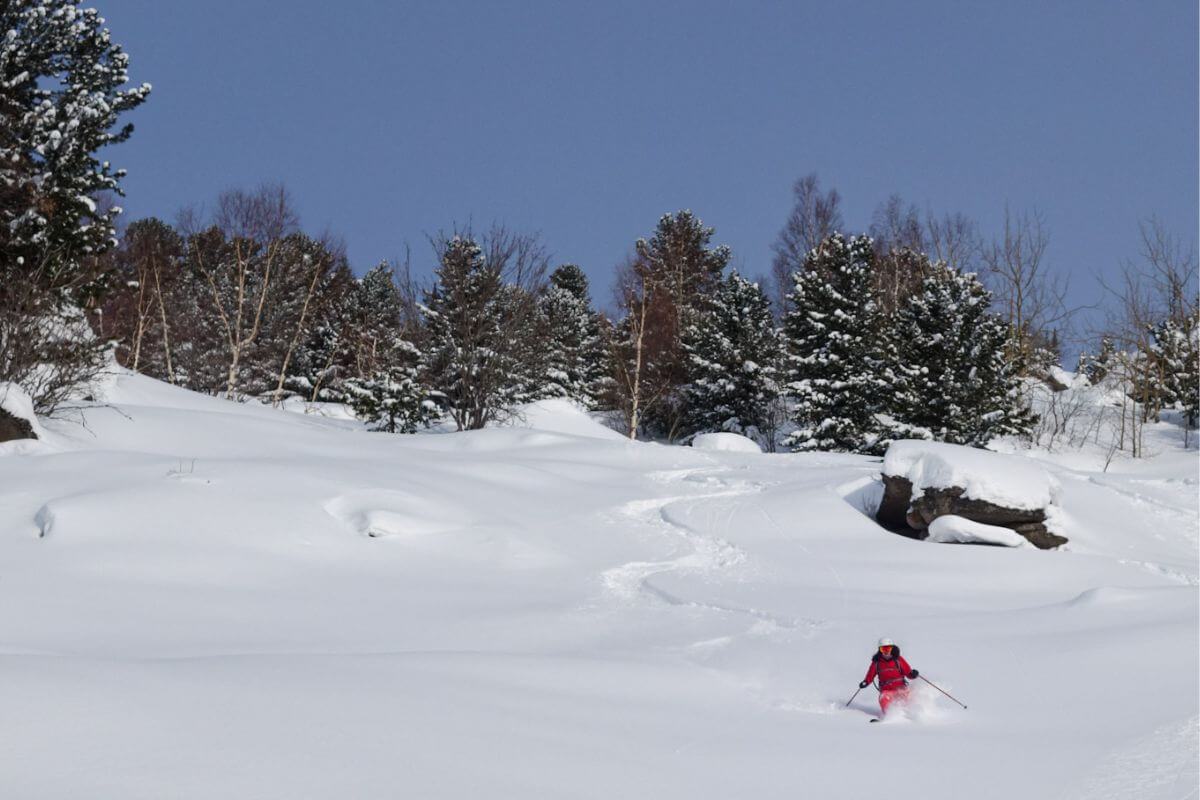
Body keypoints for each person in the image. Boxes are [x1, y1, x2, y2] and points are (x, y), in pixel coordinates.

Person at [859, 637, 919, 715]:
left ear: (892, 649)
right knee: (883, 699)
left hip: (901, 688)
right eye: (883, 649)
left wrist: (912, 674)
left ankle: (913, 713)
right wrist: (866, 682)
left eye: (888, 649)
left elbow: (908, 673)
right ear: (880, 650)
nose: (886, 652)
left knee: (909, 696)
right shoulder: (877, 662)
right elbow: (870, 675)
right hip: (887, 691)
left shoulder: (898, 660)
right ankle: (891, 715)